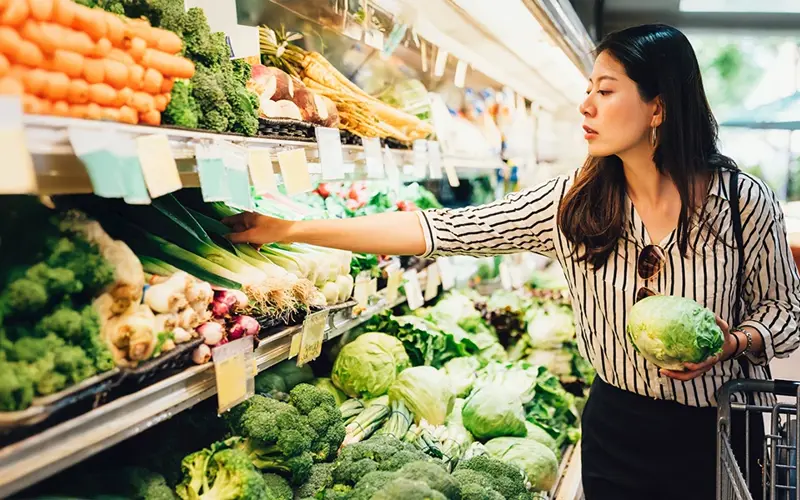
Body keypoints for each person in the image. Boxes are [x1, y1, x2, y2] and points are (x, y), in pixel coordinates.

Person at [224, 24, 800, 499]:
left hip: (719, 433)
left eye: (605, 90)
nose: (586, 105)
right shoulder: (573, 204)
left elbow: (785, 311)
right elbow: (442, 229)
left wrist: (733, 342)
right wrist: (290, 228)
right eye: (588, 90)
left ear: (658, 106)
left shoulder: (741, 201)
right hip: (617, 428)